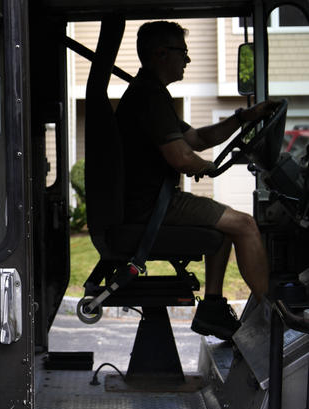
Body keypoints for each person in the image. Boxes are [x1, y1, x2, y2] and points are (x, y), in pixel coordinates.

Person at [115, 21, 278, 340]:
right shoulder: (149, 95)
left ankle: (213, 308)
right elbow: (182, 157)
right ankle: (273, 315)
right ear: (162, 54)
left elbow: (198, 138)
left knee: (227, 226)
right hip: (153, 208)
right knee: (245, 224)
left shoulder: (152, 94)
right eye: (183, 53)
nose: (188, 60)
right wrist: (207, 167)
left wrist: (243, 118)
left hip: (150, 203)